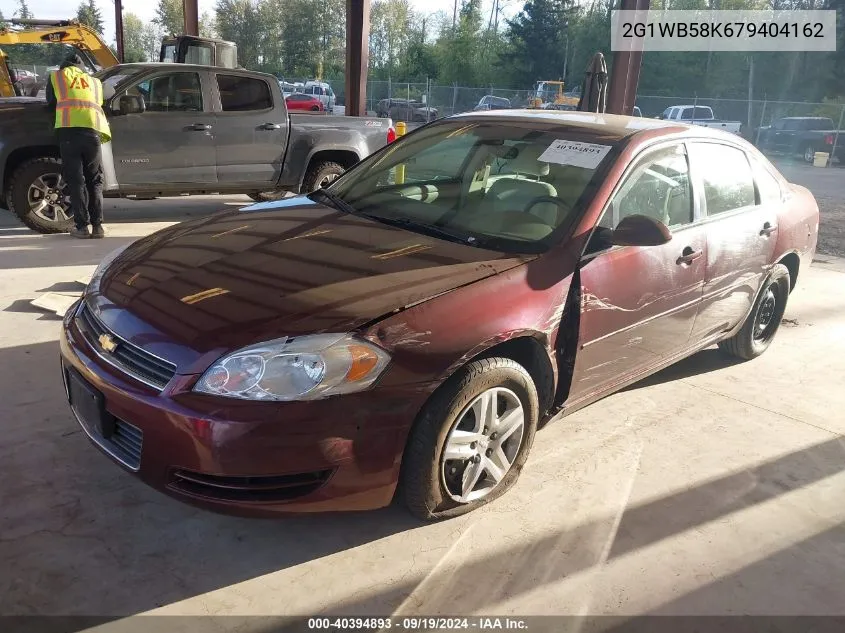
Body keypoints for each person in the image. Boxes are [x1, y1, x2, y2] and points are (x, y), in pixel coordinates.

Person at [46, 53, 111, 239]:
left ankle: (82, 227)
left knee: (76, 181)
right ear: (82, 68)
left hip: (68, 133)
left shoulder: (57, 77)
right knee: (95, 180)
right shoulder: (94, 82)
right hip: (92, 132)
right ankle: (98, 226)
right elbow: (98, 104)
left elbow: (51, 102)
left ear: (63, 65)